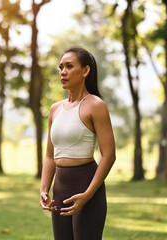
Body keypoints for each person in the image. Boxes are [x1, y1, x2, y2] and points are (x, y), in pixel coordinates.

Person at [39, 46, 116, 240]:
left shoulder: (96, 105)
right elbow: (50, 155)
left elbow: (109, 155)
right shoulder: (55, 109)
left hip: (87, 186)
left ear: (85, 71)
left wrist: (88, 194)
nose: (62, 72)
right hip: (60, 189)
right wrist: (44, 189)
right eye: (61, 67)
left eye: (69, 66)